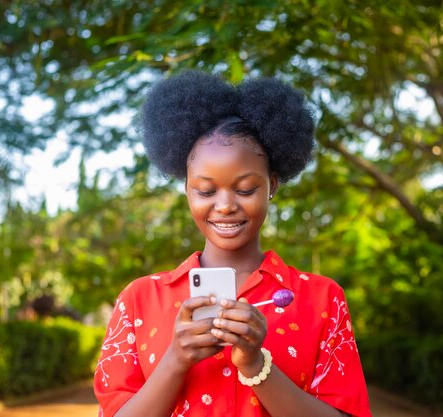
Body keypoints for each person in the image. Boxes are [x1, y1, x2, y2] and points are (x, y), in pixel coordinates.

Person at [93, 71, 371, 417]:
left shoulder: (322, 299)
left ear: (272, 185)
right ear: (187, 190)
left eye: (244, 189)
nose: (224, 205)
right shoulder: (138, 300)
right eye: (206, 191)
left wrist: (256, 366)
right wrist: (175, 359)